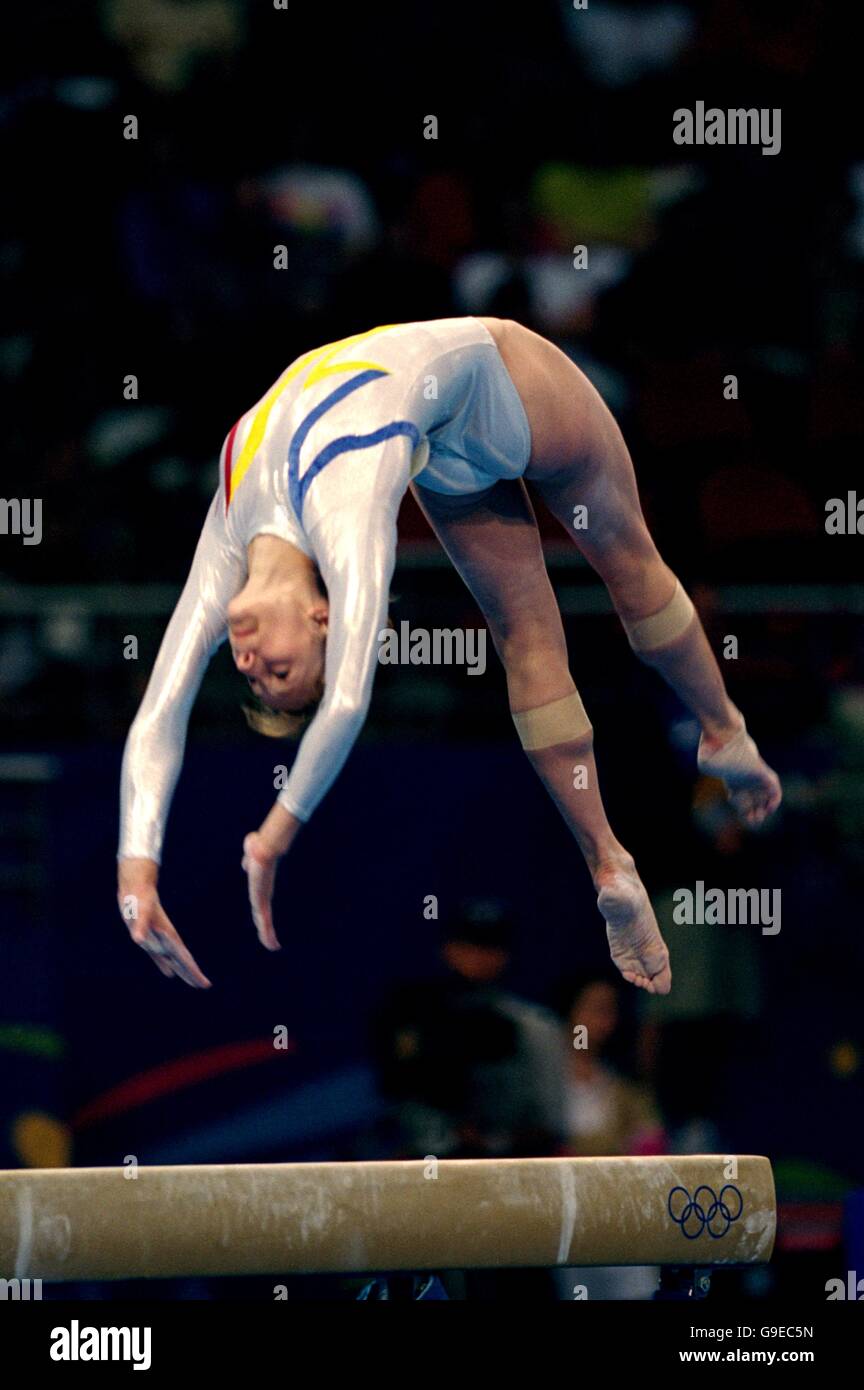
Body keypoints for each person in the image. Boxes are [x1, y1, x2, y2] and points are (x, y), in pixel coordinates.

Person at [117, 318, 781, 991]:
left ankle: (711, 747)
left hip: (456, 425)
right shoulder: (346, 514)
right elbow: (347, 699)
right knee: (610, 577)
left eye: (256, 678)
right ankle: (633, 835)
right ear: (326, 620)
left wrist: (138, 868)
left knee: (553, 616)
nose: (254, 667)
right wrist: (249, 843)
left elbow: (158, 714)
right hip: (502, 389)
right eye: (282, 676)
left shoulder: (229, 530)